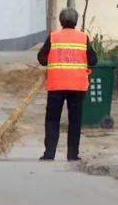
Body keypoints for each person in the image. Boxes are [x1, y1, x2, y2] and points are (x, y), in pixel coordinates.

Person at [37, 8, 98, 161]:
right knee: (75, 121)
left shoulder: (53, 37)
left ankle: (49, 153)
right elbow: (93, 60)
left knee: (52, 119)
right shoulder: (83, 38)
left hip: (56, 85)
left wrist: (51, 61)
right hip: (78, 86)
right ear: (76, 22)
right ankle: (72, 154)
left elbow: (42, 58)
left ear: (60, 21)